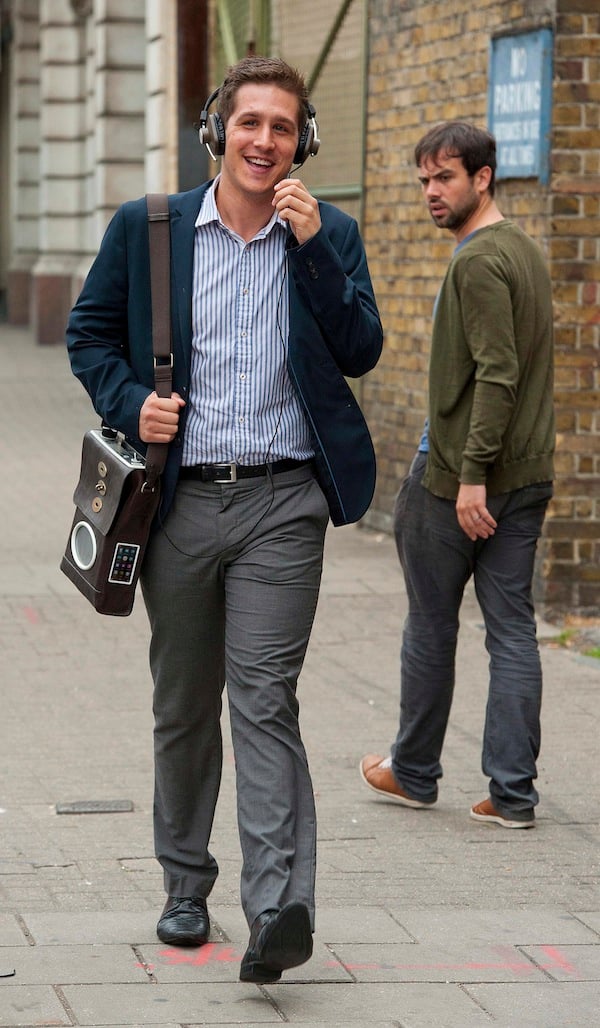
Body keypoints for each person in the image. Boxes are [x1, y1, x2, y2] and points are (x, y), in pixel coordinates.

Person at [66, 55, 382, 983]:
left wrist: (315, 249)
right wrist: (131, 404)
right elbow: (89, 333)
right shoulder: (150, 229)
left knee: (264, 697)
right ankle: (184, 882)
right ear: (218, 131)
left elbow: (361, 348)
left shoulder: (328, 232)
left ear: (302, 140)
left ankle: (278, 905)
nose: (264, 141)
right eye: (250, 123)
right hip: (179, 504)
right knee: (183, 700)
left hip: (284, 501)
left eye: (283, 127)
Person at [360, 121, 554, 830]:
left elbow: (499, 375)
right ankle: (513, 795)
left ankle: (413, 773)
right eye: (424, 180)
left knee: (432, 624)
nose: (431, 192)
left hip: (458, 480)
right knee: (512, 631)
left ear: (483, 177)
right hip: (528, 473)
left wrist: (470, 476)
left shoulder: (477, 263)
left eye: (444, 177)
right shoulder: (524, 250)